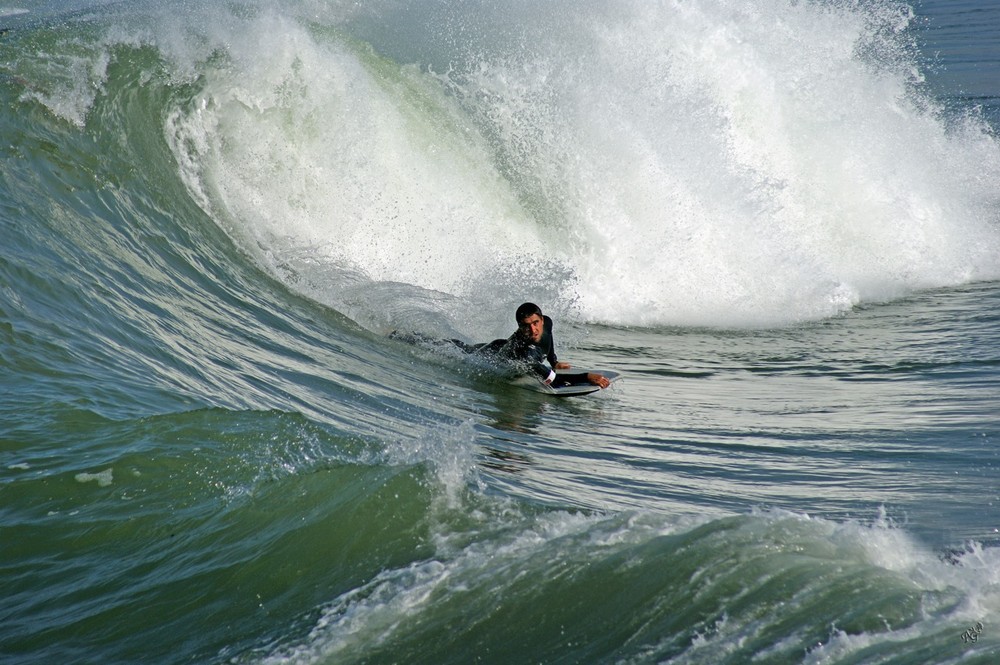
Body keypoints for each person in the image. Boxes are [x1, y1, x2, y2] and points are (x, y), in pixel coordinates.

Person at [466, 303, 610, 389]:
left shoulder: (547, 322)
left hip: (502, 344)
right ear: (520, 327)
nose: (533, 330)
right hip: (493, 351)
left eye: (535, 323)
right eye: (526, 326)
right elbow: (557, 382)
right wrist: (586, 377)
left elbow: (549, 337)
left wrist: (554, 361)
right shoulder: (526, 354)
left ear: (541, 320)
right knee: (466, 351)